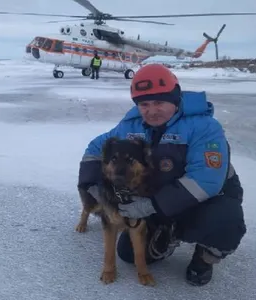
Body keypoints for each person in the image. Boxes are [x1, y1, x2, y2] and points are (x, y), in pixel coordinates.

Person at [77, 63, 246, 286]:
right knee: (128, 254)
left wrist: (152, 205)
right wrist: (91, 186)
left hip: (204, 201)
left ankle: (204, 259)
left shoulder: (204, 126)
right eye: (144, 104)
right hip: (158, 197)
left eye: (159, 102)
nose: (152, 110)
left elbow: (205, 181)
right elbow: (95, 149)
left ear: (175, 100)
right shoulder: (131, 124)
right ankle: (167, 237)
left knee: (225, 221)